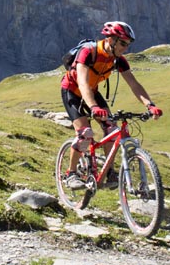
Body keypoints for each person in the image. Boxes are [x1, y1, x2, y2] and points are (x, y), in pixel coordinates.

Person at [60, 21, 162, 189]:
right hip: (72, 91)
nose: (125, 48)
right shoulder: (88, 52)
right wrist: (94, 108)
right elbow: (83, 84)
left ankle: (109, 172)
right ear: (110, 39)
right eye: (122, 43)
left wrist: (150, 105)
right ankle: (71, 174)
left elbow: (134, 84)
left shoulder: (118, 60)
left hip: (92, 91)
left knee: (112, 130)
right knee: (85, 133)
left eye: (128, 45)